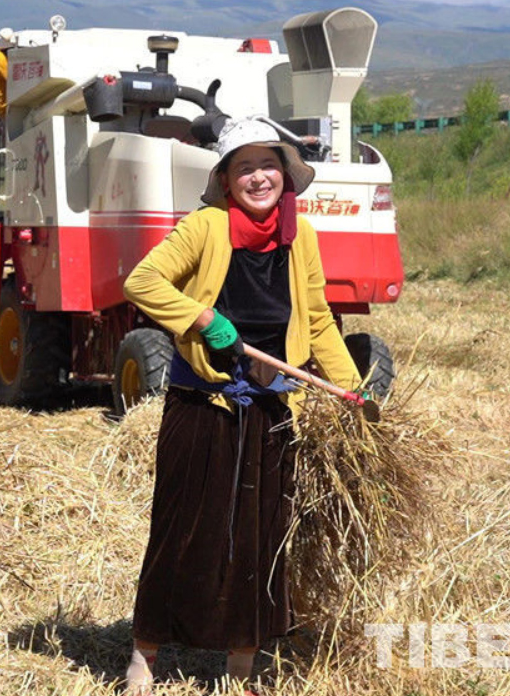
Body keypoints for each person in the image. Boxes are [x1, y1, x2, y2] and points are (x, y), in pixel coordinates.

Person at [121, 116, 363, 694]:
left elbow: (319, 316)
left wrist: (351, 389)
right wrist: (204, 319)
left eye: (268, 164)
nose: (259, 177)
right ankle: (144, 657)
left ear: (286, 172)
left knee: (259, 535)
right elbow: (143, 281)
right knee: (183, 527)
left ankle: (239, 668)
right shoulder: (205, 227)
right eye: (244, 167)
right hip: (203, 402)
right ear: (226, 179)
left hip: (272, 406)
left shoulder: (299, 235)